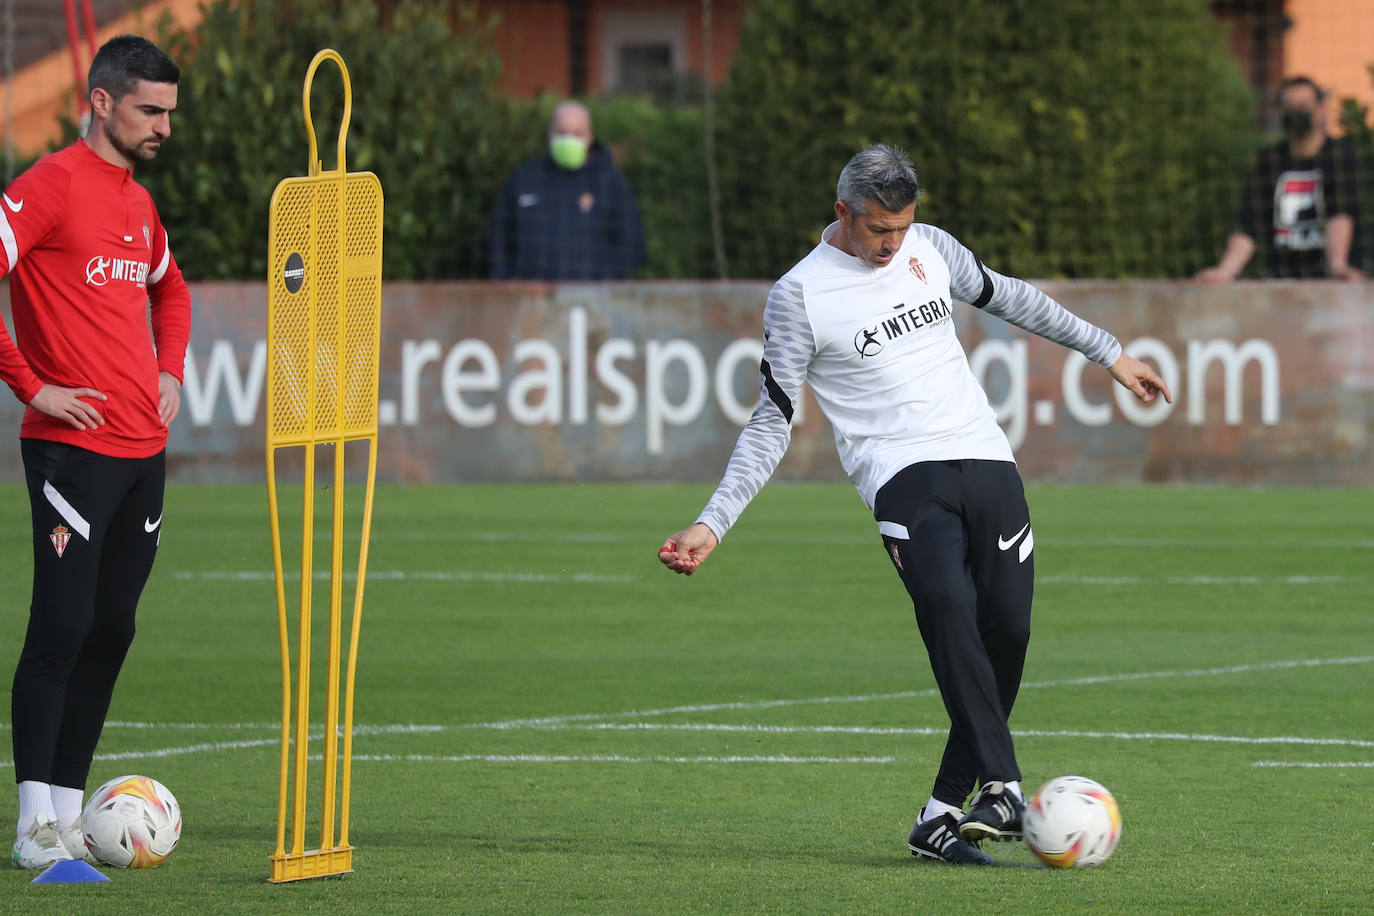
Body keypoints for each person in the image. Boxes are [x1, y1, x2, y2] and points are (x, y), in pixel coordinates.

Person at [657, 144, 1170, 865]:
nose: (893, 244)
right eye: (878, 231)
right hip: (901, 474)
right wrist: (714, 519)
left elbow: (1014, 296)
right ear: (843, 213)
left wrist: (1108, 353)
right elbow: (773, 418)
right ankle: (1003, 785)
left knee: (1009, 634)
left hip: (985, 456)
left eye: (902, 228)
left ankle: (939, 814)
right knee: (948, 609)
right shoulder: (799, 294)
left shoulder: (931, 248)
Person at [1, 34, 190, 869]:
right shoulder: (48, 186)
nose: (165, 128)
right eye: (151, 111)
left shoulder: (138, 204)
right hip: (71, 455)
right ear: (103, 101)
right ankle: (31, 825)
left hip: (143, 453)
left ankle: (70, 817)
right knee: (62, 627)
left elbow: (171, 289)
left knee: (113, 627)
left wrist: (168, 370)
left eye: (171, 113)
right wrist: (30, 386)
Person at [1195, 75, 1367, 283]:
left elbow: (1341, 213)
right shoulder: (1269, 161)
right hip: (1284, 284)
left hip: (1335, 286)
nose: (1295, 112)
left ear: (1321, 110)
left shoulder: (1341, 155)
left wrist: (1338, 266)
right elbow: (1250, 223)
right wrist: (1225, 271)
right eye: (1288, 106)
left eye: (1303, 105)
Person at [487, 100, 646, 280]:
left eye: (577, 134)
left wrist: (603, 282)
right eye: (562, 133)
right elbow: (498, 236)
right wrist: (505, 281)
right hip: (530, 299)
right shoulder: (524, 178)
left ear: (590, 138)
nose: (569, 139)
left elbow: (631, 244)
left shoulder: (611, 184)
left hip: (590, 301)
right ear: (549, 135)